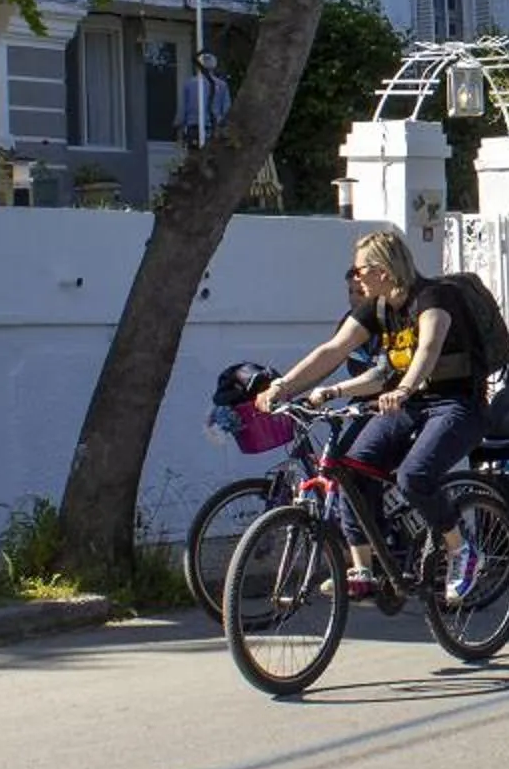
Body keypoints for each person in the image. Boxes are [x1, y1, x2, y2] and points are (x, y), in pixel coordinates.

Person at [256, 227, 489, 600]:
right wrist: (281, 387)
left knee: (414, 476)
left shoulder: (434, 297)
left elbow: (428, 349)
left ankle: (462, 549)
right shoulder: (378, 308)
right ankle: (363, 569)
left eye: (359, 270)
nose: (355, 277)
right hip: (409, 405)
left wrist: (403, 388)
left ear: (383, 270)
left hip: (457, 405)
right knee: (351, 468)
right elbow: (332, 350)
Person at [177, 50, 232, 150]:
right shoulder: (221, 85)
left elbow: (183, 108)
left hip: (193, 125)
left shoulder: (189, 84)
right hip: (213, 126)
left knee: (194, 154)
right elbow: (226, 109)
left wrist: (179, 126)